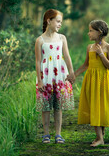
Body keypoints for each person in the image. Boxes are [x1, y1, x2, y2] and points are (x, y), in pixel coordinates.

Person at [35, 9, 75, 144]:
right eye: (57, 21)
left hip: (59, 75)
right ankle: (46, 134)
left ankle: (58, 134)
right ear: (49, 21)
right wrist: (39, 81)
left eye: (61, 22)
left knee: (58, 106)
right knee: (45, 107)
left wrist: (71, 72)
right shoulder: (40, 40)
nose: (60, 24)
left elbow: (67, 56)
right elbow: (38, 61)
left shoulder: (62, 38)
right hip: (45, 76)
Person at [75, 20, 109, 147]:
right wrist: (73, 75)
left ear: (100, 32)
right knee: (94, 106)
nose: (89, 33)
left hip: (103, 80)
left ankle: (101, 137)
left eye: (91, 30)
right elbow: (86, 65)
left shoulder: (108, 47)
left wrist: (101, 55)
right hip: (91, 80)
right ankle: (99, 138)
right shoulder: (89, 47)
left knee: (102, 106)